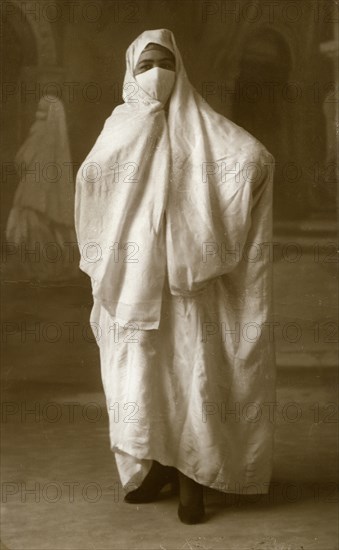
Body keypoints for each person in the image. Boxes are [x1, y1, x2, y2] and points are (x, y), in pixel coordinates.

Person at [75, 29, 276, 524]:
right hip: (134, 284)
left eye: (165, 63)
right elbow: (90, 185)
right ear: (130, 72)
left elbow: (252, 159)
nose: (156, 74)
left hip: (189, 287)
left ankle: (194, 480)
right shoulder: (121, 126)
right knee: (144, 380)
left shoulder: (202, 126)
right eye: (145, 65)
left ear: (180, 69)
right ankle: (160, 465)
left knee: (191, 379)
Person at [6, 95, 78, 281]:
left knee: (32, 226)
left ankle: (40, 270)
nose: (38, 114)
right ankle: (45, 270)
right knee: (42, 227)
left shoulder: (41, 133)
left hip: (34, 193)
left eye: (42, 111)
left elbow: (22, 159)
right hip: (41, 193)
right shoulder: (55, 138)